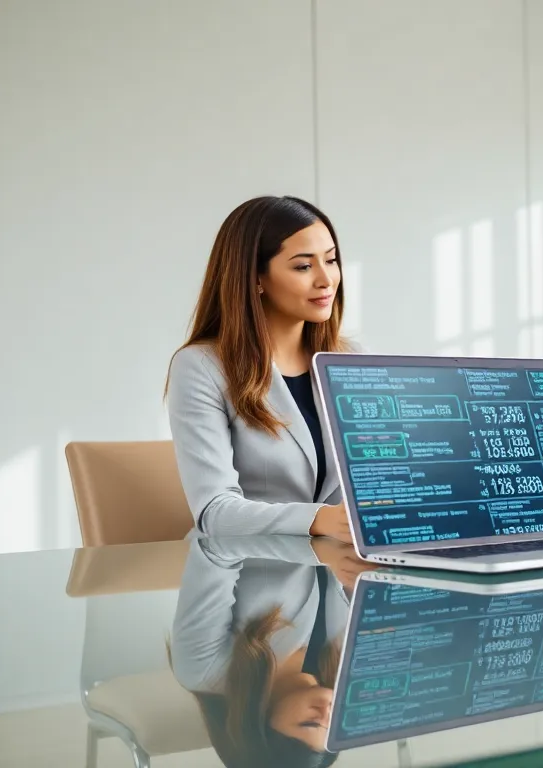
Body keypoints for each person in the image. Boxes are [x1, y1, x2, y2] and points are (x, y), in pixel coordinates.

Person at [167, 196, 354, 540]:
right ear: (256, 278)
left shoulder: (351, 360)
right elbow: (214, 511)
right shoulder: (201, 367)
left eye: (331, 260)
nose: (327, 279)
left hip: (340, 574)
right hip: (246, 577)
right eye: (303, 266)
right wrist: (319, 520)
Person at [171, 536, 376, 768]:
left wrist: (317, 545)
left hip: (258, 502)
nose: (326, 714)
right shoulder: (339, 661)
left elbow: (214, 542)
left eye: (309, 723)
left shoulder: (203, 669)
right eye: (331, 727)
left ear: (259, 731)